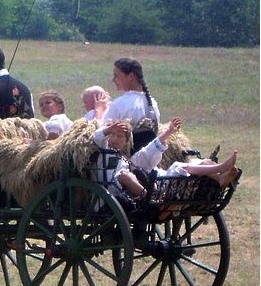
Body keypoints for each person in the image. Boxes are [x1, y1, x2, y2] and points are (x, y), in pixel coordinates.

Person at [94, 116, 239, 201]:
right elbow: (97, 137)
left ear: (126, 142)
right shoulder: (103, 151)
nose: (115, 138)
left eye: (120, 136)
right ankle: (220, 169)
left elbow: (148, 152)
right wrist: (108, 129)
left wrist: (168, 132)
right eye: (112, 135)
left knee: (201, 163)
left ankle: (220, 177)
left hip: (162, 185)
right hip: (136, 194)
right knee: (178, 167)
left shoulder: (129, 160)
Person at [95, 58, 162, 154]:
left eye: (116, 76)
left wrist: (99, 110)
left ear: (130, 76)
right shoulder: (153, 104)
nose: (113, 80)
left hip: (122, 160)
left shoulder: (120, 104)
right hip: (148, 159)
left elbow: (100, 134)